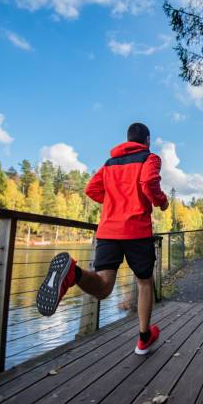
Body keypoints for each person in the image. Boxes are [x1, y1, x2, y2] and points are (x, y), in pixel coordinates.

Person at [36, 122, 169, 355]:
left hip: (108, 230)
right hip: (136, 230)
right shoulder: (150, 158)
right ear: (147, 140)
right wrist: (161, 201)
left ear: (128, 140)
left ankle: (72, 273)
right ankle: (144, 338)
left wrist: (114, 204)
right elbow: (148, 183)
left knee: (104, 287)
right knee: (144, 282)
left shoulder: (109, 164)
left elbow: (91, 189)